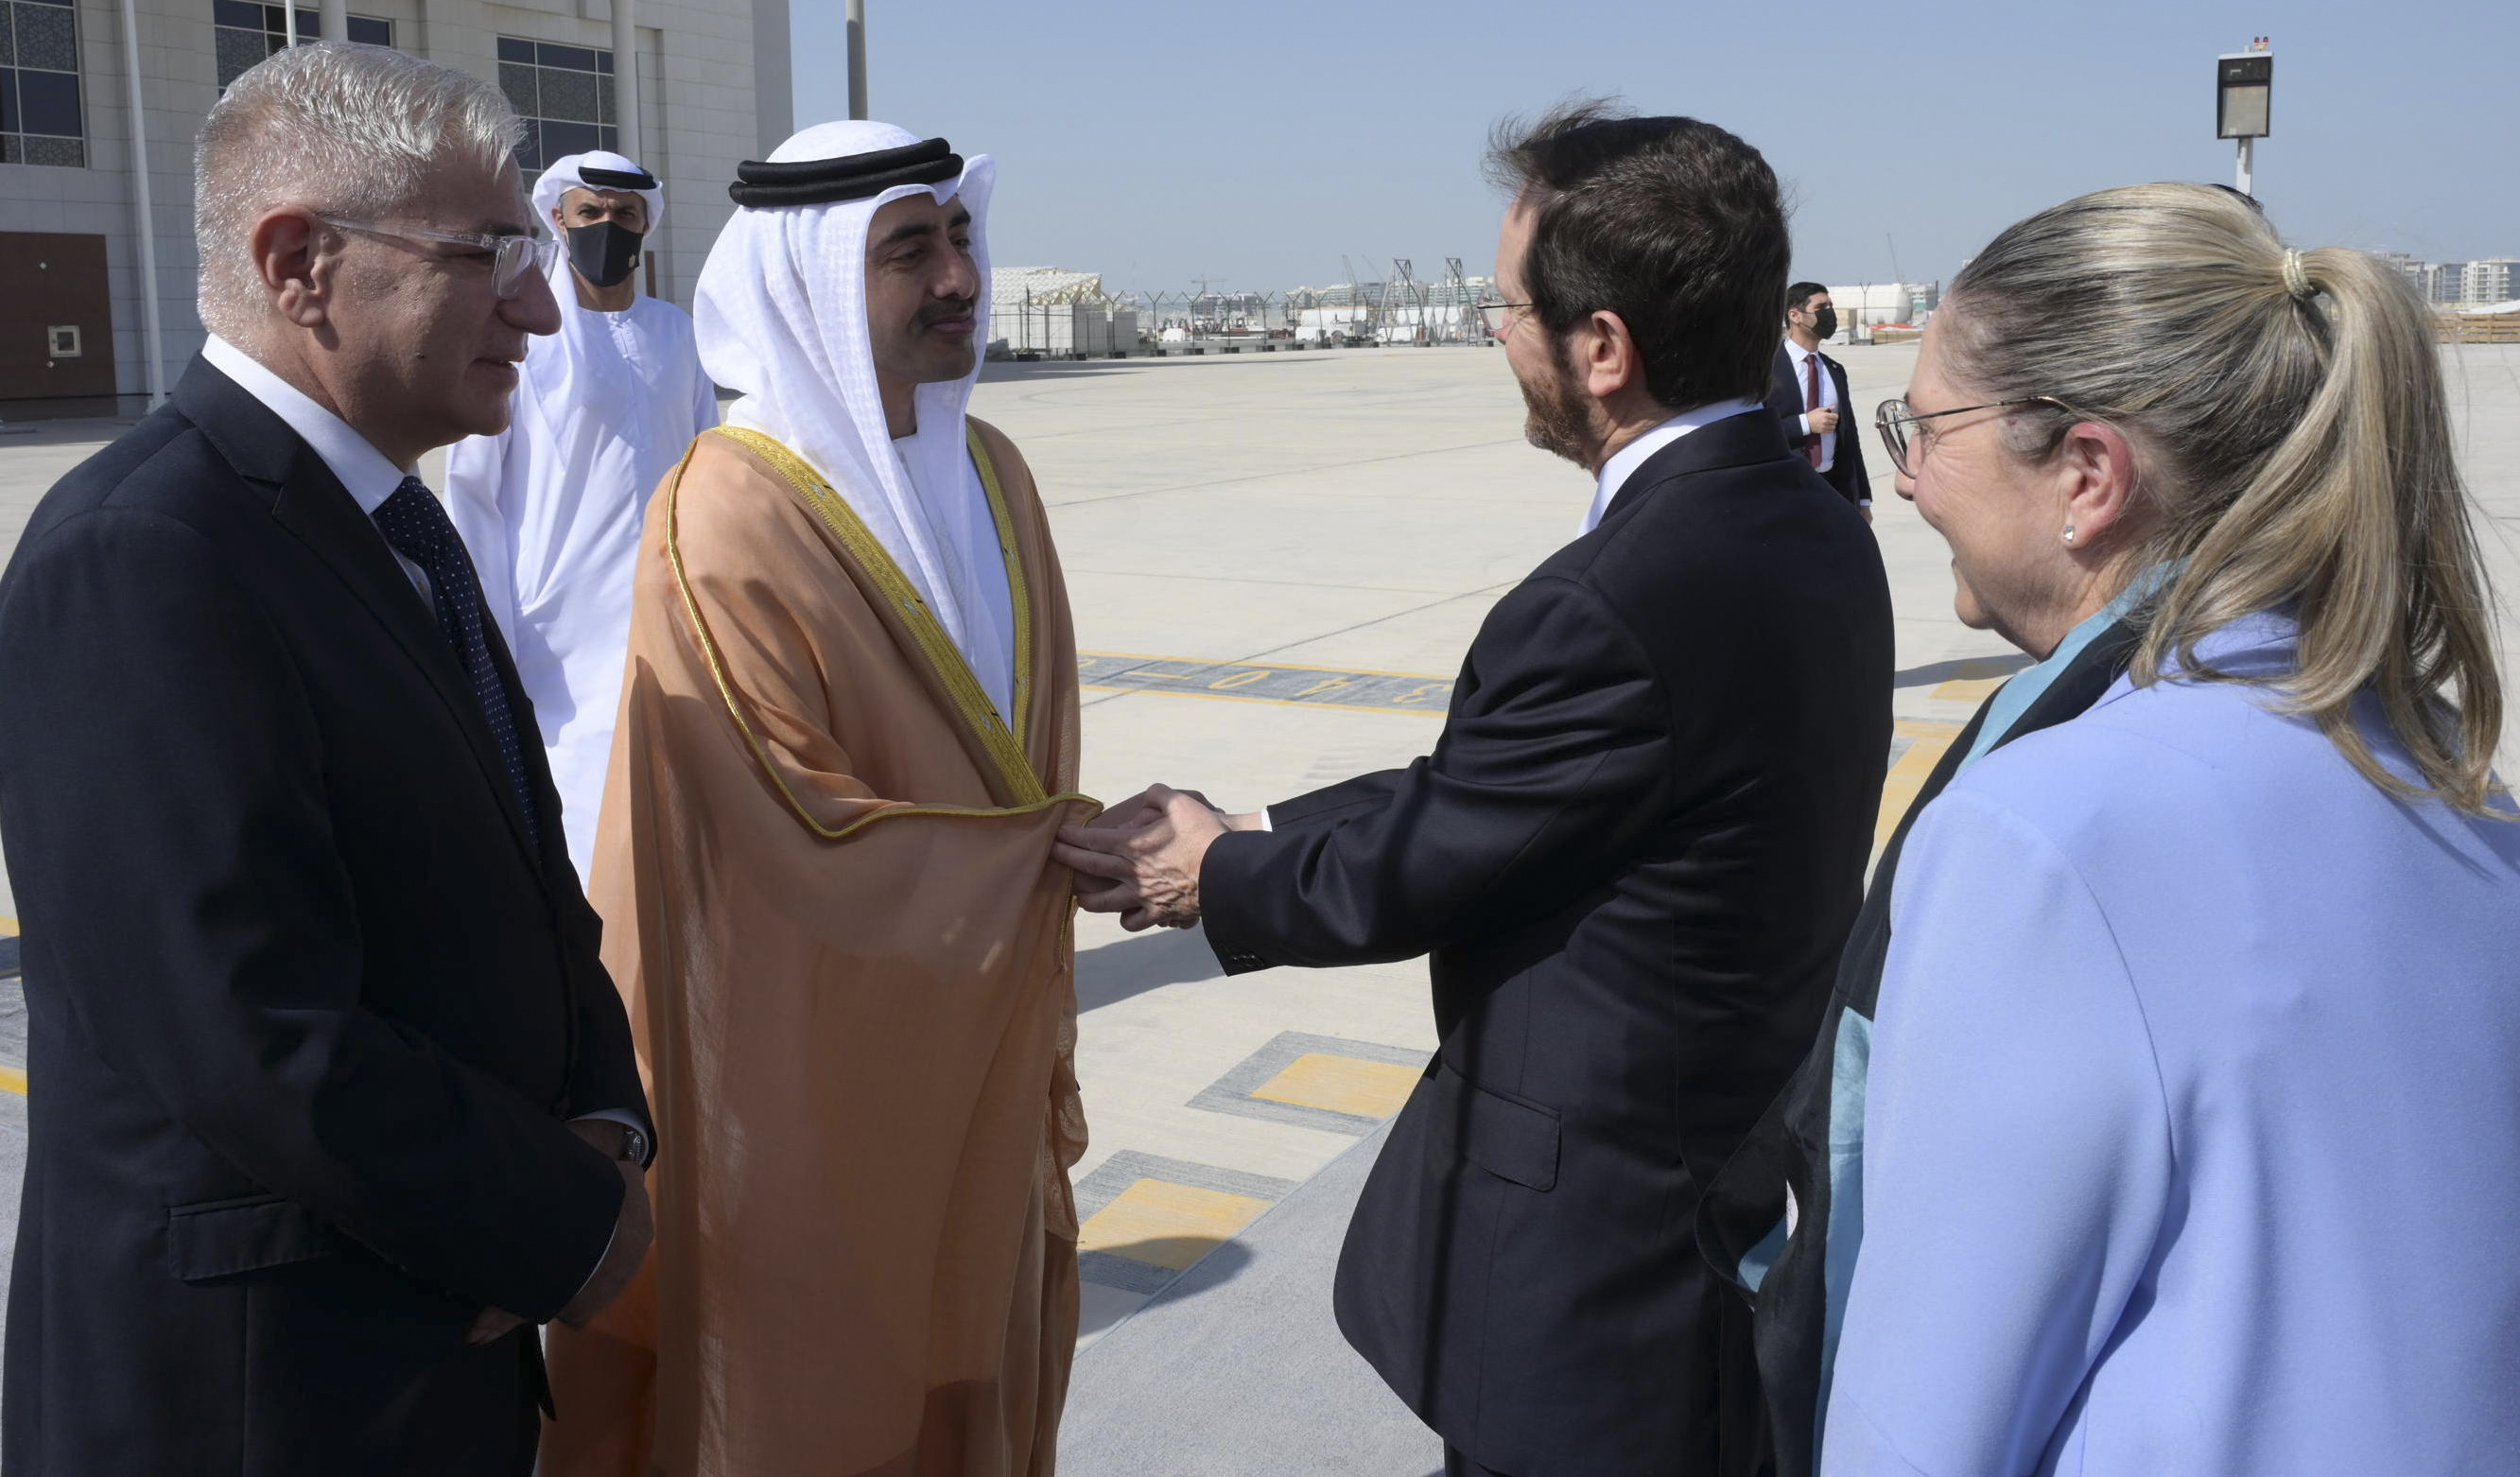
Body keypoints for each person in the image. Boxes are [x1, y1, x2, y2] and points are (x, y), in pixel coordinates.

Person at [1055, 103, 1894, 1477]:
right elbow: (1515, 785)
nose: (1492, 335)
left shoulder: (1611, 596)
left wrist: (1206, 872)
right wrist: (1263, 822)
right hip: (1718, 1191)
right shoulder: (1800, 523)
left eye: (1504, 306)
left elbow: (1438, 852)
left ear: (1603, 348)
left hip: (1602, 1274)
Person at [1814, 183, 2520, 1474]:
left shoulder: (2045, 836)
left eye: (1924, 425)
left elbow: (1916, 1426)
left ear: (2087, 476)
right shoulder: (2467, 795)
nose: (1903, 472)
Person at [0, 43, 653, 1474]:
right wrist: (560, 1216)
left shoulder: (389, 526)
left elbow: (528, 886)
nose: (542, 305)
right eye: (490, 253)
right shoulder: (144, 555)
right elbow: (247, 1025)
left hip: (420, 1350)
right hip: (261, 1395)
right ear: (299, 263)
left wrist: (601, 1114)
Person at [539, 122, 1092, 1477]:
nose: (957, 276)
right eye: (910, 250)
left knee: (975, 1356)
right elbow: (789, 835)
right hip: (805, 1080)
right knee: (813, 1384)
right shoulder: (725, 510)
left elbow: (1032, 746)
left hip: (983, 1051)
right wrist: (1056, 857)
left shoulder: (996, 475)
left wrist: (1049, 853)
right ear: (809, 282)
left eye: (958, 236)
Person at [445, 151, 719, 886]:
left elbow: (706, 473)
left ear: (646, 226)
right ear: (558, 219)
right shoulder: (524, 335)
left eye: (624, 214)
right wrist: (487, 634)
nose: (607, 226)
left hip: (669, 615)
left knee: (677, 827)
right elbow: (474, 490)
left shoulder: (677, 333)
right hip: (551, 633)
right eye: (590, 211)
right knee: (579, 828)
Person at [1771, 282, 1870, 516]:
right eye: (1821, 307)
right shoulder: (1767, 368)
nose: (1829, 313)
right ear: (1794, 315)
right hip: (1784, 488)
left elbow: (1850, 438)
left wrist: (1863, 499)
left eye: (1831, 306)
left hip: (1832, 486)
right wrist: (1805, 424)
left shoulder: (1834, 370)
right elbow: (1751, 431)